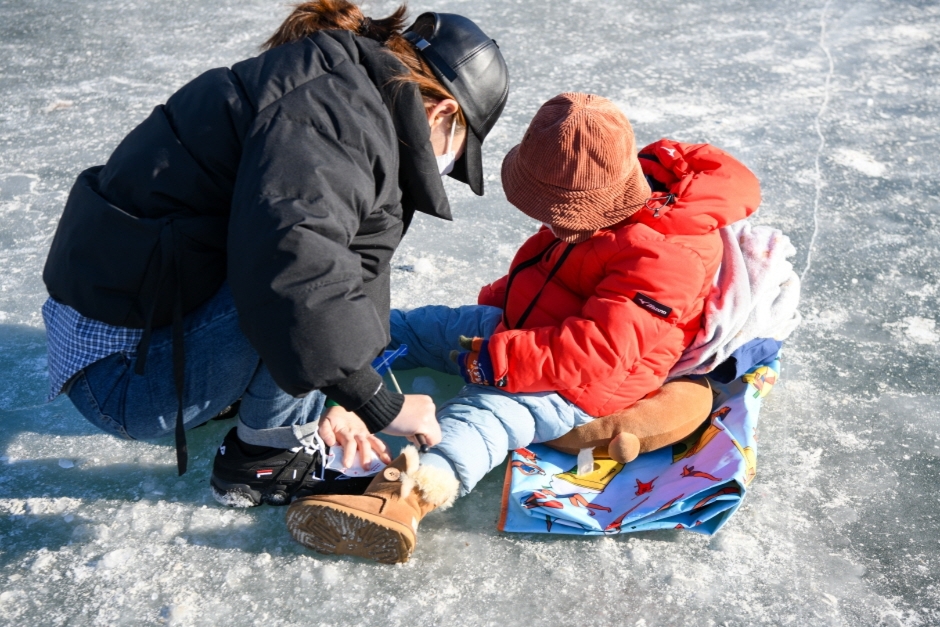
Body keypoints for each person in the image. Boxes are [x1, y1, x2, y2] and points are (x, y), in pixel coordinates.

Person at [40, 1, 509, 506]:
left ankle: (271, 406)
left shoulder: (348, 96)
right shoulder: (333, 117)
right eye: (459, 153)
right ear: (442, 112)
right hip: (123, 375)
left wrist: (340, 391)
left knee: (315, 287)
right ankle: (266, 457)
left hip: (141, 333)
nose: (445, 168)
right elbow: (292, 271)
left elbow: (355, 261)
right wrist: (377, 402)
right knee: (293, 286)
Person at [286, 92, 761, 563]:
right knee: (421, 327)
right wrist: (500, 304)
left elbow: (599, 351)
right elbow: (551, 267)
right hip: (525, 329)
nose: (546, 222)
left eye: (554, 213)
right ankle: (322, 350)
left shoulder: (663, 257)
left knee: (483, 414)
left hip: (581, 383)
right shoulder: (599, 206)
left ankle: (405, 497)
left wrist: (498, 358)